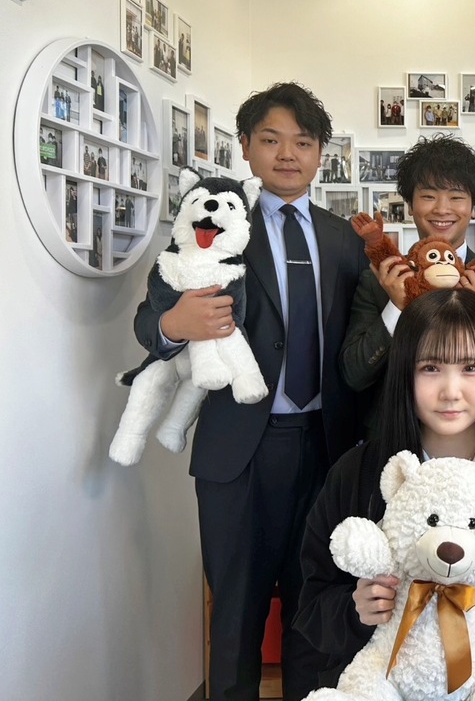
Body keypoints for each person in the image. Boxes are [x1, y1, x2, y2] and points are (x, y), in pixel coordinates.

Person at [133, 82, 370, 701]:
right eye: (271, 139)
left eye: (303, 142)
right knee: (235, 611)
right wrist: (171, 325)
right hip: (239, 451)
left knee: (314, 607)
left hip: (326, 449)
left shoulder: (345, 240)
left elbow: (359, 339)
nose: (287, 154)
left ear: (321, 155)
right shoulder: (213, 224)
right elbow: (152, 315)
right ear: (245, 147)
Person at [296, 289, 475, 693]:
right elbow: (312, 603)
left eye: (470, 367)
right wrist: (354, 609)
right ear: (404, 372)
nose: (451, 391)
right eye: (431, 367)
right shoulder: (358, 473)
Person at [340, 134, 475, 443]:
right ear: (410, 205)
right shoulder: (378, 279)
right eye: (428, 196)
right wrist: (396, 307)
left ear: (472, 206)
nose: (442, 209)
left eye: (456, 197)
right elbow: (354, 374)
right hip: (393, 441)